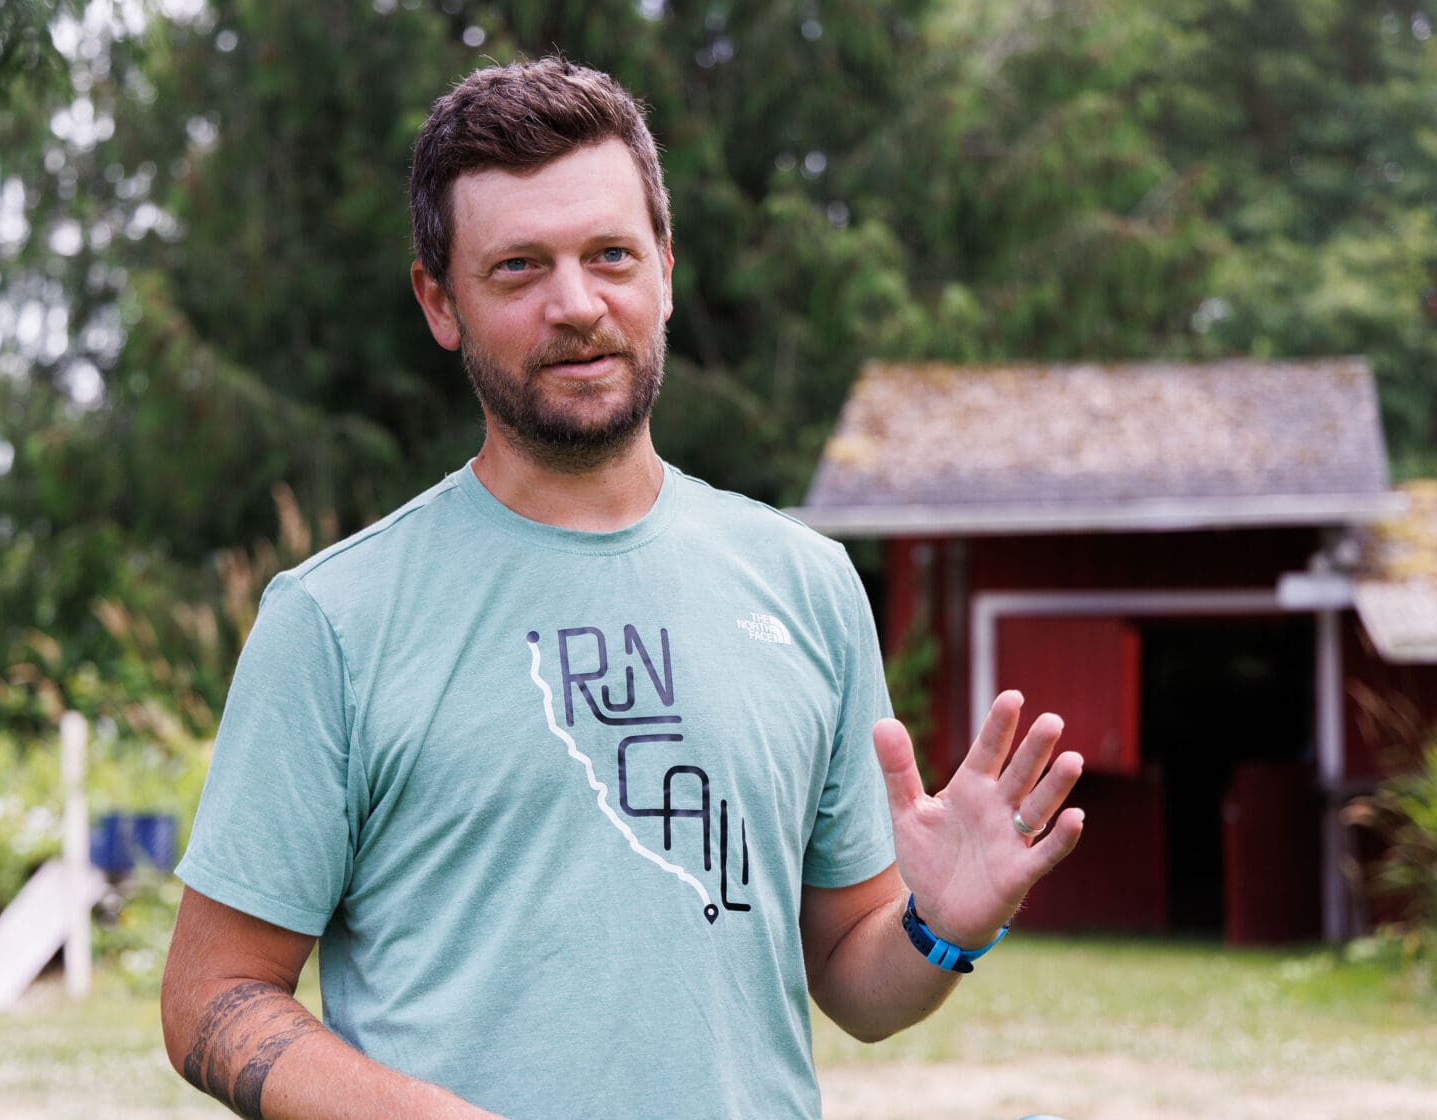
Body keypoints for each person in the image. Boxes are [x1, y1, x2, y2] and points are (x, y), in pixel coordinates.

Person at [160, 57, 1085, 1120]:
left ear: (666, 272)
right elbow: (209, 994)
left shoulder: (806, 582)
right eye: (517, 268)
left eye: (611, 255)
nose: (576, 304)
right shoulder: (334, 619)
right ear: (439, 300)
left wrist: (945, 926)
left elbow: (853, 974)